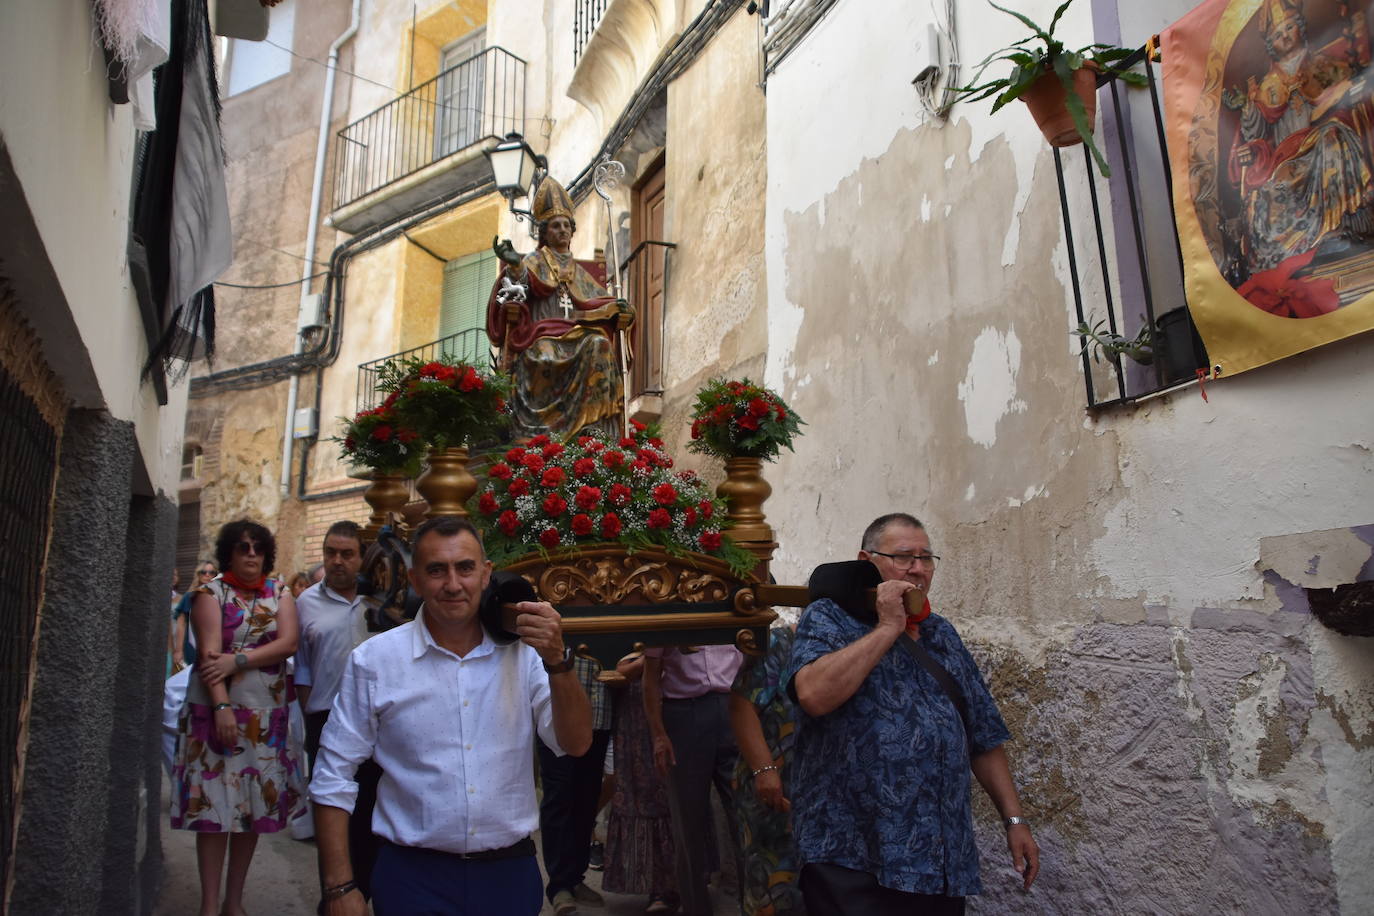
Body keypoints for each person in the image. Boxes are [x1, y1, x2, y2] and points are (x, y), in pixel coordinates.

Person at [310, 515, 592, 915]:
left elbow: (576, 743)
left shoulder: (526, 655)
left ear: (485, 573)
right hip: (411, 878)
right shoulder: (375, 661)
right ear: (414, 578)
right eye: (437, 570)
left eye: (465, 568)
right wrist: (339, 887)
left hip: (508, 876)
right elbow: (332, 775)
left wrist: (557, 662)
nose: (453, 584)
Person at [787, 513, 1039, 915]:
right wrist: (888, 627)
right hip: (852, 854)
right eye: (904, 557)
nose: (918, 569)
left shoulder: (941, 633)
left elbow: (983, 735)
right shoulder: (829, 618)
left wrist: (1014, 821)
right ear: (866, 561)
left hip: (938, 860)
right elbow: (814, 695)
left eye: (926, 558)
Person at [170, 520, 305, 916]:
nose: (251, 554)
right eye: (243, 547)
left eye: (258, 548)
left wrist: (240, 659)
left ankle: (235, 902)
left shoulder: (279, 592)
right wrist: (222, 707)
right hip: (217, 712)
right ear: (229, 551)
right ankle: (209, 905)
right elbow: (211, 657)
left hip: (266, 717)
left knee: (252, 811)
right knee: (213, 809)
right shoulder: (209, 594)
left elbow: (288, 643)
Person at [1221, 0, 1374, 311]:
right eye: (1278, 34)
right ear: (1271, 45)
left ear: (1300, 30)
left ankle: (1338, 229)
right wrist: (1248, 108)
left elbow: (1347, 94)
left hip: (1321, 139)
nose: (1286, 36)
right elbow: (1254, 133)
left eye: (1290, 28)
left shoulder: (1321, 64)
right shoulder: (1267, 86)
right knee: (1277, 185)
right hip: (1285, 156)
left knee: (1332, 138)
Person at [488, 175, 634, 441]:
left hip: (576, 334)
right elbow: (517, 291)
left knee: (599, 345)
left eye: (566, 225)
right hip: (540, 335)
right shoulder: (533, 261)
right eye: (555, 226)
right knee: (543, 355)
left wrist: (622, 309)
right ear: (545, 232)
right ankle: (541, 434)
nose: (562, 230)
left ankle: (595, 430)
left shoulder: (578, 271)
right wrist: (515, 266)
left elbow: (599, 301)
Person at [295, 520, 379, 894]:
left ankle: (373, 894)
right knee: (332, 817)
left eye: (347, 554)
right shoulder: (305, 602)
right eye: (331, 553)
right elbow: (302, 670)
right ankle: (336, 897)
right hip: (326, 721)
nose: (337, 561)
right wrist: (311, 723)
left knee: (373, 815)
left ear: (362, 558)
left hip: (379, 722)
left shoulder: (382, 601)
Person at [643, 643, 746, 916]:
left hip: (734, 705)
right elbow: (651, 675)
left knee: (746, 818)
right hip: (683, 713)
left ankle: (757, 905)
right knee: (688, 826)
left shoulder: (736, 601)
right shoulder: (667, 604)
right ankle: (695, 908)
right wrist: (658, 734)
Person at [730, 622, 806, 915]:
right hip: (776, 792)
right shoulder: (783, 642)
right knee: (771, 895)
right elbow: (741, 704)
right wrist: (764, 771)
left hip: (826, 800)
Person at [602, 656, 679, 914]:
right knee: (643, 797)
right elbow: (614, 674)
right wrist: (651, 659)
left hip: (675, 706)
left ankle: (682, 883)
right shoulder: (626, 627)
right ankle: (656, 887)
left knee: (677, 796)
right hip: (635, 718)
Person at [538, 656, 613, 915]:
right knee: (559, 798)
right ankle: (559, 885)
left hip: (599, 715)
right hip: (557, 718)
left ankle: (576, 877)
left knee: (587, 799)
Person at [172, 560, 219, 671]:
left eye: (211, 572)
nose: (207, 575)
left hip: (215, 647)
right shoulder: (189, 597)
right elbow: (181, 624)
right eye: (204, 572)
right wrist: (178, 651)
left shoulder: (220, 597)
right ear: (198, 574)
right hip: (192, 647)